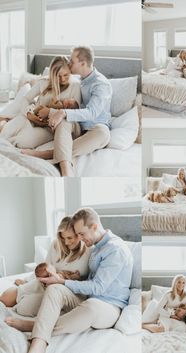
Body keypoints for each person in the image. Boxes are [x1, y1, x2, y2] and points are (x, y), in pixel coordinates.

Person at [5, 207, 133, 353]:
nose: (81, 238)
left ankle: (35, 326)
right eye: (78, 234)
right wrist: (62, 280)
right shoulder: (96, 247)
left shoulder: (115, 249)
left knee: (91, 307)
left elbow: (98, 287)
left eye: (82, 234)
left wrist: (63, 281)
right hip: (87, 298)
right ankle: (39, 343)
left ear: (95, 227)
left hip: (109, 306)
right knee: (55, 289)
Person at [25, 46, 112, 177]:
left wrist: (63, 112)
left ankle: (53, 157)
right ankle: (62, 158)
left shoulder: (101, 84)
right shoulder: (78, 81)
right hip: (78, 128)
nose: (69, 63)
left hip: (95, 129)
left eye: (72, 61)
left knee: (103, 134)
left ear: (83, 63)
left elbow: (92, 112)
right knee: (63, 121)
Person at [0, 216, 91, 317]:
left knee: (25, 307)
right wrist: (28, 281)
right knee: (6, 297)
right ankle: (24, 290)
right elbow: (46, 266)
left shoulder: (89, 251)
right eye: (62, 237)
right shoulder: (56, 244)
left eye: (70, 238)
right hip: (46, 281)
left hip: (64, 291)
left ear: (79, 235)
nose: (66, 242)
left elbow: (91, 283)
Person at [0, 56, 80, 151]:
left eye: (66, 75)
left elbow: (76, 114)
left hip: (49, 127)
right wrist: (29, 114)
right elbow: (26, 98)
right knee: (5, 133)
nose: (62, 79)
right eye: (58, 76)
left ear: (70, 72)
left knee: (22, 143)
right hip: (31, 116)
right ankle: (4, 123)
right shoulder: (44, 82)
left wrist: (50, 111)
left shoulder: (75, 86)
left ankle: (6, 145)